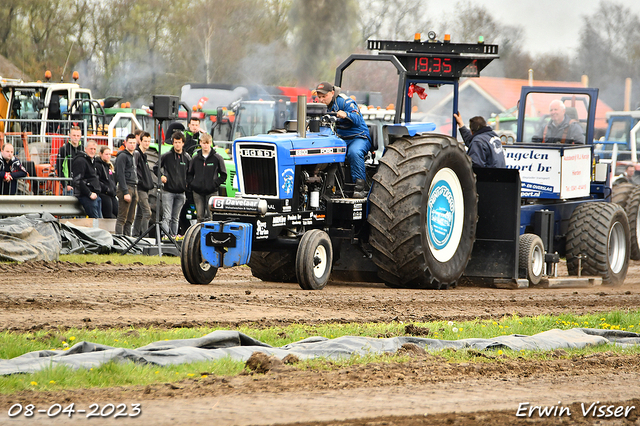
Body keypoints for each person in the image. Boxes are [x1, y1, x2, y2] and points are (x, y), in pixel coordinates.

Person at [315, 81, 371, 197]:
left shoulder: (346, 101)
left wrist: (346, 115)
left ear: (332, 93)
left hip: (358, 137)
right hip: (339, 139)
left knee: (354, 152)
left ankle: (360, 187)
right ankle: (326, 186)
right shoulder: (319, 106)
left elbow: (358, 119)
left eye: (324, 96)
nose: (321, 100)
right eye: (319, 97)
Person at [187, 133, 227, 222]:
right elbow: (189, 174)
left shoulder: (217, 158)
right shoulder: (195, 158)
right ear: (200, 143)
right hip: (198, 192)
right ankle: (200, 235)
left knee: (211, 216)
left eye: (207, 143)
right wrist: (194, 184)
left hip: (212, 191)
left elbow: (223, 175)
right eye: (204, 143)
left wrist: (214, 184)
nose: (205, 145)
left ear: (210, 143)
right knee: (200, 216)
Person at [158, 131, 191, 237]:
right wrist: (161, 176)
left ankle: (173, 237)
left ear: (183, 143)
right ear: (173, 143)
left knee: (175, 218)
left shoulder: (187, 157)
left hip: (181, 192)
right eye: (175, 142)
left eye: (179, 142)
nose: (177, 144)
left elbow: (191, 173)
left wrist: (187, 183)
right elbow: (156, 167)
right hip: (168, 191)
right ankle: (165, 236)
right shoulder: (166, 156)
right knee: (167, 216)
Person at [71, 140, 102, 218]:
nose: (93, 151)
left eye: (94, 149)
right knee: (95, 221)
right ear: (85, 149)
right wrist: (89, 193)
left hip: (95, 195)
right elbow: (77, 180)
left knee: (100, 221)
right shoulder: (80, 161)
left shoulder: (91, 160)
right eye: (91, 148)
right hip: (86, 196)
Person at [115, 134, 138, 235]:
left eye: (134, 143)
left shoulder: (133, 156)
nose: (132, 145)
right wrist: (125, 192)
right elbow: (120, 174)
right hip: (126, 188)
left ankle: (128, 240)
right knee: (122, 218)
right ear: (125, 143)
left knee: (130, 219)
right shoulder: (122, 156)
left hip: (134, 187)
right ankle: (119, 241)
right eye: (130, 143)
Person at [133, 132, 154, 236]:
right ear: (140, 141)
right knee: (147, 212)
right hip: (140, 188)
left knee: (140, 214)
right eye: (145, 141)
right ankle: (145, 236)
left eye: (148, 141)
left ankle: (135, 234)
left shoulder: (144, 155)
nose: (147, 143)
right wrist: (139, 182)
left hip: (145, 188)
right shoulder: (137, 153)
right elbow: (134, 169)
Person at [56, 126, 84, 195]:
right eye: (74, 135)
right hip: (69, 186)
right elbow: (59, 168)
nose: (76, 137)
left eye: (78, 135)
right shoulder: (63, 149)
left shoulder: (83, 150)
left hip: (82, 186)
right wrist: (65, 184)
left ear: (80, 136)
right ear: (70, 135)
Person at [95, 146, 118, 218]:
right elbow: (98, 180)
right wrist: (106, 189)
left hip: (111, 193)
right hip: (104, 193)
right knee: (108, 214)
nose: (108, 156)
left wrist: (113, 189)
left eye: (109, 154)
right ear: (101, 154)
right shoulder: (98, 165)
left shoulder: (109, 166)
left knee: (118, 212)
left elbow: (111, 179)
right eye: (106, 154)